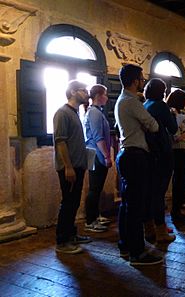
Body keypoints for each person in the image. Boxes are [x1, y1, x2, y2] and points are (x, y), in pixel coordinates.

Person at [114, 64, 162, 266]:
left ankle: (126, 244)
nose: (143, 82)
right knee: (135, 206)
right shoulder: (131, 102)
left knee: (127, 204)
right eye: (141, 79)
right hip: (135, 155)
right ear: (135, 81)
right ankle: (137, 252)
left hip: (126, 154)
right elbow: (154, 125)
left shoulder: (122, 101)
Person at [53, 80, 92, 254]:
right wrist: (68, 167)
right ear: (74, 91)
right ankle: (62, 241)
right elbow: (60, 141)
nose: (87, 93)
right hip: (69, 167)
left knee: (74, 202)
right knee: (68, 202)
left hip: (77, 165)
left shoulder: (75, 113)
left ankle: (71, 234)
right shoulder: (62, 113)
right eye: (84, 90)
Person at [143, 78, 177, 242]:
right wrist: (171, 114)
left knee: (151, 192)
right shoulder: (160, 105)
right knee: (159, 193)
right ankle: (161, 230)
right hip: (162, 152)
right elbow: (173, 128)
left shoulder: (144, 105)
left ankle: (151, 228)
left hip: (149, 153)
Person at [83, 84, 111, 233]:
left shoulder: (96, 112)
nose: (107, 97)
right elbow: (98, 137)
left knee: (97, 188)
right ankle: (90, 220)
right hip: (96, 155)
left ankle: (95, 215)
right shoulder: (94, 113)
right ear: (99, 96)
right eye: (105, 94)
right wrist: (106, 156)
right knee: (94, 188)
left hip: (95, 154)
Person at [167, 89, 185, 223]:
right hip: (177, 150)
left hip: (182, 148)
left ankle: (177, 210)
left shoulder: (179, 113)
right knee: (178, 181)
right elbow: (176, 137)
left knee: (181, 181)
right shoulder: (172, 113)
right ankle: (175, 212)